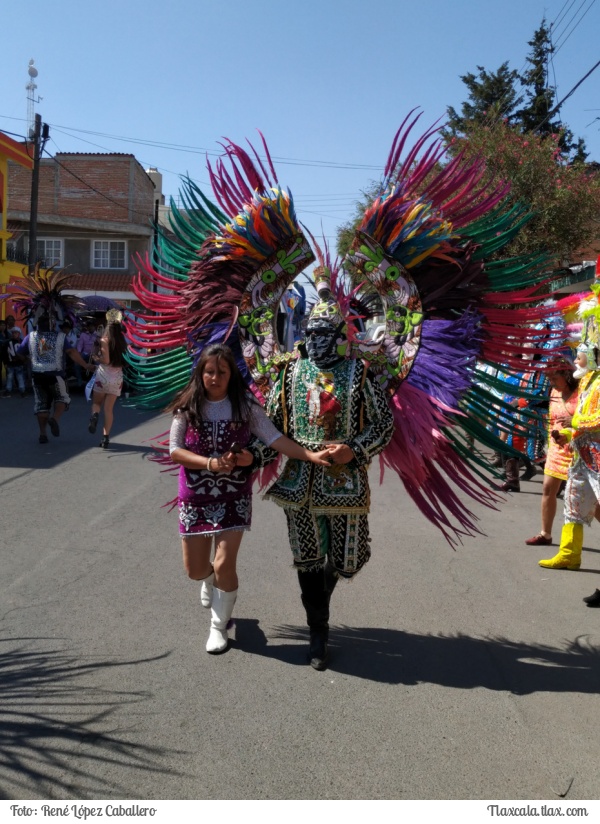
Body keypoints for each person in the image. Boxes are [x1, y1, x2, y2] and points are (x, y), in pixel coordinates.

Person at [167, 343, 330, 654]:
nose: (214, 377)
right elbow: (174, 450)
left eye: (221, 372)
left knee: (226, 562)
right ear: (201, 373)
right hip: (195, 496)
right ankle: (209, 579)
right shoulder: (187, 407)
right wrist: (210, 463)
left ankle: (219, 626)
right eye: (209, 371)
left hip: (234, 496)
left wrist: (309, 454)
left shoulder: (245, 408)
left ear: (231, 376)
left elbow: (274, 438)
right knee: (195, 570)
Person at [265, 298, 395, 670]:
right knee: (307, 560)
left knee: (349, 559)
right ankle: (317, 632)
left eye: (325, 334)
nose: (318, 341)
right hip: (299, 484)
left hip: (344, 485)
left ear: (340, 337)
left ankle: (318, 608)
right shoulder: (289, 374)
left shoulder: (360, 373)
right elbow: (270, 427)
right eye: (312, 334)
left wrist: (352, 449)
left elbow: (384, 424)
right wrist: (243, 456)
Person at [539, 337, 600, 571]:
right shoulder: (587, 380)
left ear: (593, 356)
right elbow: (579, 420)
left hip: (597, 456)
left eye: (580, 355)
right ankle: (569, 555)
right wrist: (565, 432)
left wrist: (573, 422)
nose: (575, 360)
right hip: (580, 455)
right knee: (573, 505)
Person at [525, 364, 579, 546]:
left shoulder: (583, 392)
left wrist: (573, 427)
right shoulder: (554, 393)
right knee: (548, 489)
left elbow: (590, 421)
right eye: (549, 379)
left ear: (567, 375)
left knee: (590, 500)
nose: (552, 383)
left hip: (576, 449)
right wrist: (550, 443)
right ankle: (545, 534)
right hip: (557, 449)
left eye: (554, 379)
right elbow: (553, 419)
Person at [18, 314, 91, 443]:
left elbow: (19, 353)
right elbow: (72, 352)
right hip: (56, 375)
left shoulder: (31, 337)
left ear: (38, 325)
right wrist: (85, 365)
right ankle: (55, 419)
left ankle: (42, 434)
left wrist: (28, 361)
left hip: (38, 375)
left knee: (41, 404)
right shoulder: (61, 337)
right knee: (62, 398)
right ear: (52, 325)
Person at [87, 312, 127, 449]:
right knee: (109, 410)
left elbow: (106, 360)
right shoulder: (122, 341)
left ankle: (94, 415)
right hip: (117, 378)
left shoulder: (104, 340)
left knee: (97, 403)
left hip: (103, 376)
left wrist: (96, 358)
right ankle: (105, 438)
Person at [4, 326, 26, 397]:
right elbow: (5, 353)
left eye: (16, 333)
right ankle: (8, 390)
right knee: (10, 377)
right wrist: (5, 363)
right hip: (10, 363)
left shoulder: (22, 342)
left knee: (20, 377)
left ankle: (22, 391)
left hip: (19, 364)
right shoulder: (7, 342)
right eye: (13, 333)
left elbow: (25, 352)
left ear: (19, 334)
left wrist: (24, 360)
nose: (14, 334)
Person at [75, 319, 98, 387]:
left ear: (94, 327)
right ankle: (79, 379)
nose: (90, 328)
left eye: (91, 326)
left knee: (98, 364)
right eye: (89, 326)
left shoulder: (98, 334)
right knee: (77, 363)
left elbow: (100, 345)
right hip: (85, 353)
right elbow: (80, 344)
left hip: (94, 353)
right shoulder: (83, 334)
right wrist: (79, 352)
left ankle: (97, 380)